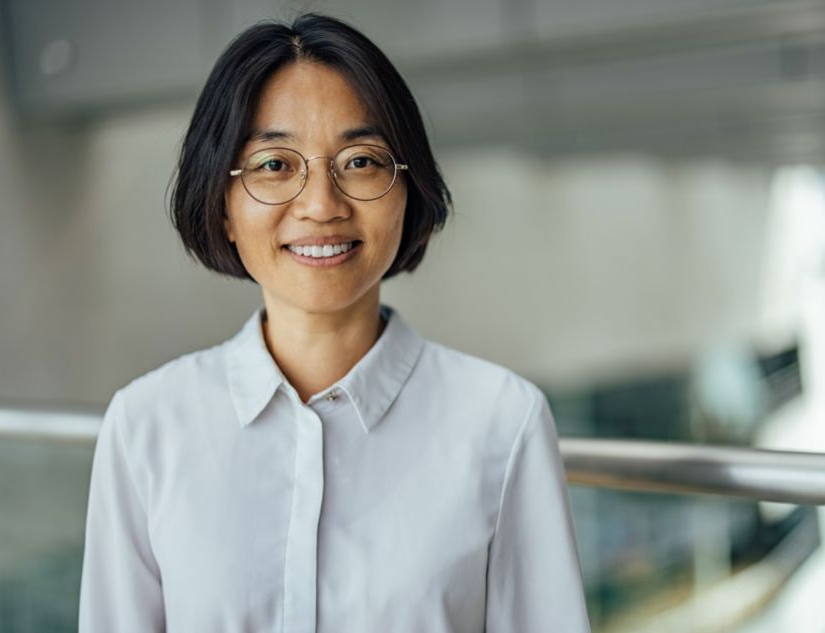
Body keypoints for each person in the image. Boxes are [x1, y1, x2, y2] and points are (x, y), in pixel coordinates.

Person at [79, 13, 589, 633]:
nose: (321, 204)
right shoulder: (146, 428)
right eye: (274, 165)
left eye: (361, 161)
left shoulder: (503, 423)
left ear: (409, 191)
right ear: (223, 206)